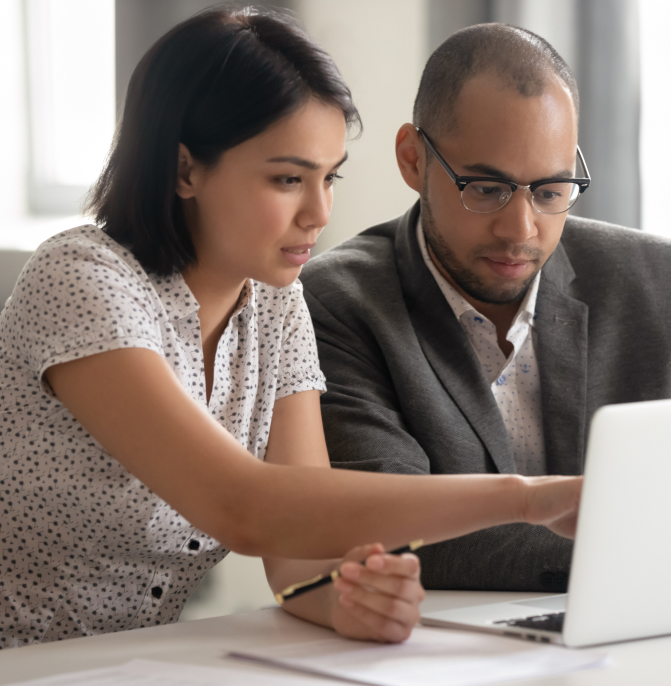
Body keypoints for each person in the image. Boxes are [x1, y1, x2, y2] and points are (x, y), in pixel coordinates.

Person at [0, 9, 583, 649]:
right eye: (287, 179)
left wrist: (347, 602)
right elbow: (246, 509)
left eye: (329, 177)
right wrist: (526, 498)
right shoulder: (81, 279)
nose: (319, 212)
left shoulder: (277, 305)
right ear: (185, 169)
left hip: (125, 662)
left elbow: (299, 551)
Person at [300, 23, 671, 593]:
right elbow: (389, 530)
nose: (520, 229)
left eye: (551, 192)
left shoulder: (667, 284)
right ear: (413, 160)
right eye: (486, 188)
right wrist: (653, 548)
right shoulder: (337, 304)